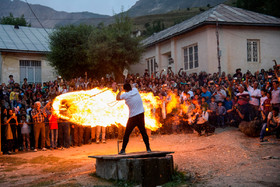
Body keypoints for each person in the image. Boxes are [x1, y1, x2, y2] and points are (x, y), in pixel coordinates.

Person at [116, 83, 151, 154]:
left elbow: (117, 98)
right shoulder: (135, 90)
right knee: (143, 132)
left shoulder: (125, 95)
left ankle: (123, 150)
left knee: (127, 134)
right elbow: (133, 85)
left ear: (125, 90)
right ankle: (148, 148)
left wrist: (120, 90)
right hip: (141, 114)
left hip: (133, 117)